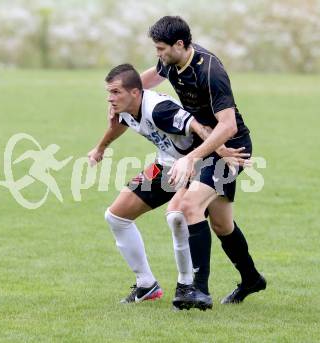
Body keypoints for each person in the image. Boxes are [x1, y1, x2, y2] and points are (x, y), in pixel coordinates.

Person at [88, 64, 249, 310]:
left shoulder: (160, 110)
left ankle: (186, 286)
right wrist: (100, 148)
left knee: (180, 216)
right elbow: (120, 123)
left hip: (197, 164)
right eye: (108, 92)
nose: (110, 98)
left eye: (115, 92)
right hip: (166, 164)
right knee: (116, 216)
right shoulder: (125, 108)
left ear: (134, 93)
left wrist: (221, 150)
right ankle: (146, 284)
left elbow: (196, 125)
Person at [140, 15, 266, 304]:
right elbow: (150, 78)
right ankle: (252, 279)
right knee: (221, 225)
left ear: (180, 44)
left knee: (187, 206)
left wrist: (191, 158)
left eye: (161, 49)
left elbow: (228, 125)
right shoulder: (171, 61)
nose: (158, 54)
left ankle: (199, 291)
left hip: (230, 148)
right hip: (206, 146)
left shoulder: (211, 72)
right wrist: (126, 92)